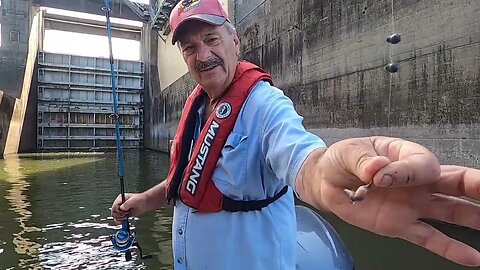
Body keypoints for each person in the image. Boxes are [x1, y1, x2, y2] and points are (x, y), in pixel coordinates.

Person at [111, 0, 480, 269]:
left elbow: (304, 160)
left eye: (212, 39)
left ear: (235, 42)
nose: (203, 54)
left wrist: (327, 181)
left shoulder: (265, 105)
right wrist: (145, 199)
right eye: (190, 47)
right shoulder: (197, 107)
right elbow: (188, 179)